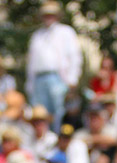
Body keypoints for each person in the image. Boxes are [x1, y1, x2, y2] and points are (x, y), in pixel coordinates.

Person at [26, 1, 83, 131]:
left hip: (58, 78)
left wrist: (72, 79)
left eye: (51, 14)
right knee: (40, 113)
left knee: (59, 112)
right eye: (46, 14)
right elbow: (31, 62)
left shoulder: (66, 31)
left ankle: (59, 138)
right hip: (39, 80)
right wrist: (29, 84)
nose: (48, 17)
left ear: (57, 16)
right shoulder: (37, 35)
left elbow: (75, 56)